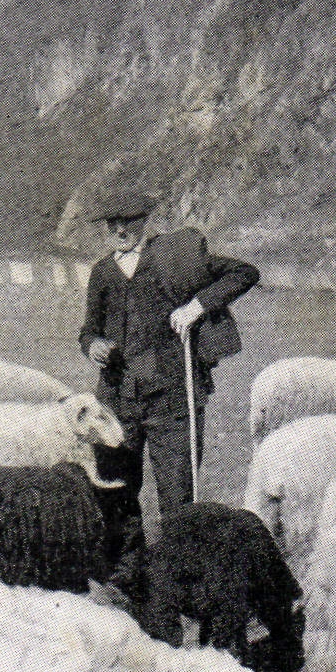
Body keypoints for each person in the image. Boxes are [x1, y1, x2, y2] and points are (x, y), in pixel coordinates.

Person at [78, 191, 260, 587]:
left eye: (128, 221)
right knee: (117, 491)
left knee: (178, 499)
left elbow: (245, 273)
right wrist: (93, 346)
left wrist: (198, 305)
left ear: (144, 221)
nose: (120, 230)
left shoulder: (174, 257)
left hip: (172, 401)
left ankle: (179, 582)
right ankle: (128, 578)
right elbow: (89, 329)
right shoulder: (102, 272)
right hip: (117, 401)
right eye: (112, 224)